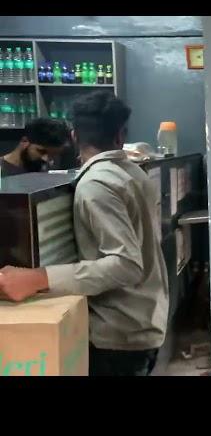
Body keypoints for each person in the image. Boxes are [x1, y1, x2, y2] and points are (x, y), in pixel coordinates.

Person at [0, 91, 169, 376]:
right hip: (144, 321)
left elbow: (125, 265)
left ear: (75, 136)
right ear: (120, 135)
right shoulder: (135, 173)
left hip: (118, 337)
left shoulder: (97, 184)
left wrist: (39, 278)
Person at [0, 118, 69, 177]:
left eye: (53, 155)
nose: (47, 160)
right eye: (41, 152)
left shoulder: (46, 171)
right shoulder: (2, 171)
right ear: (25, 141)